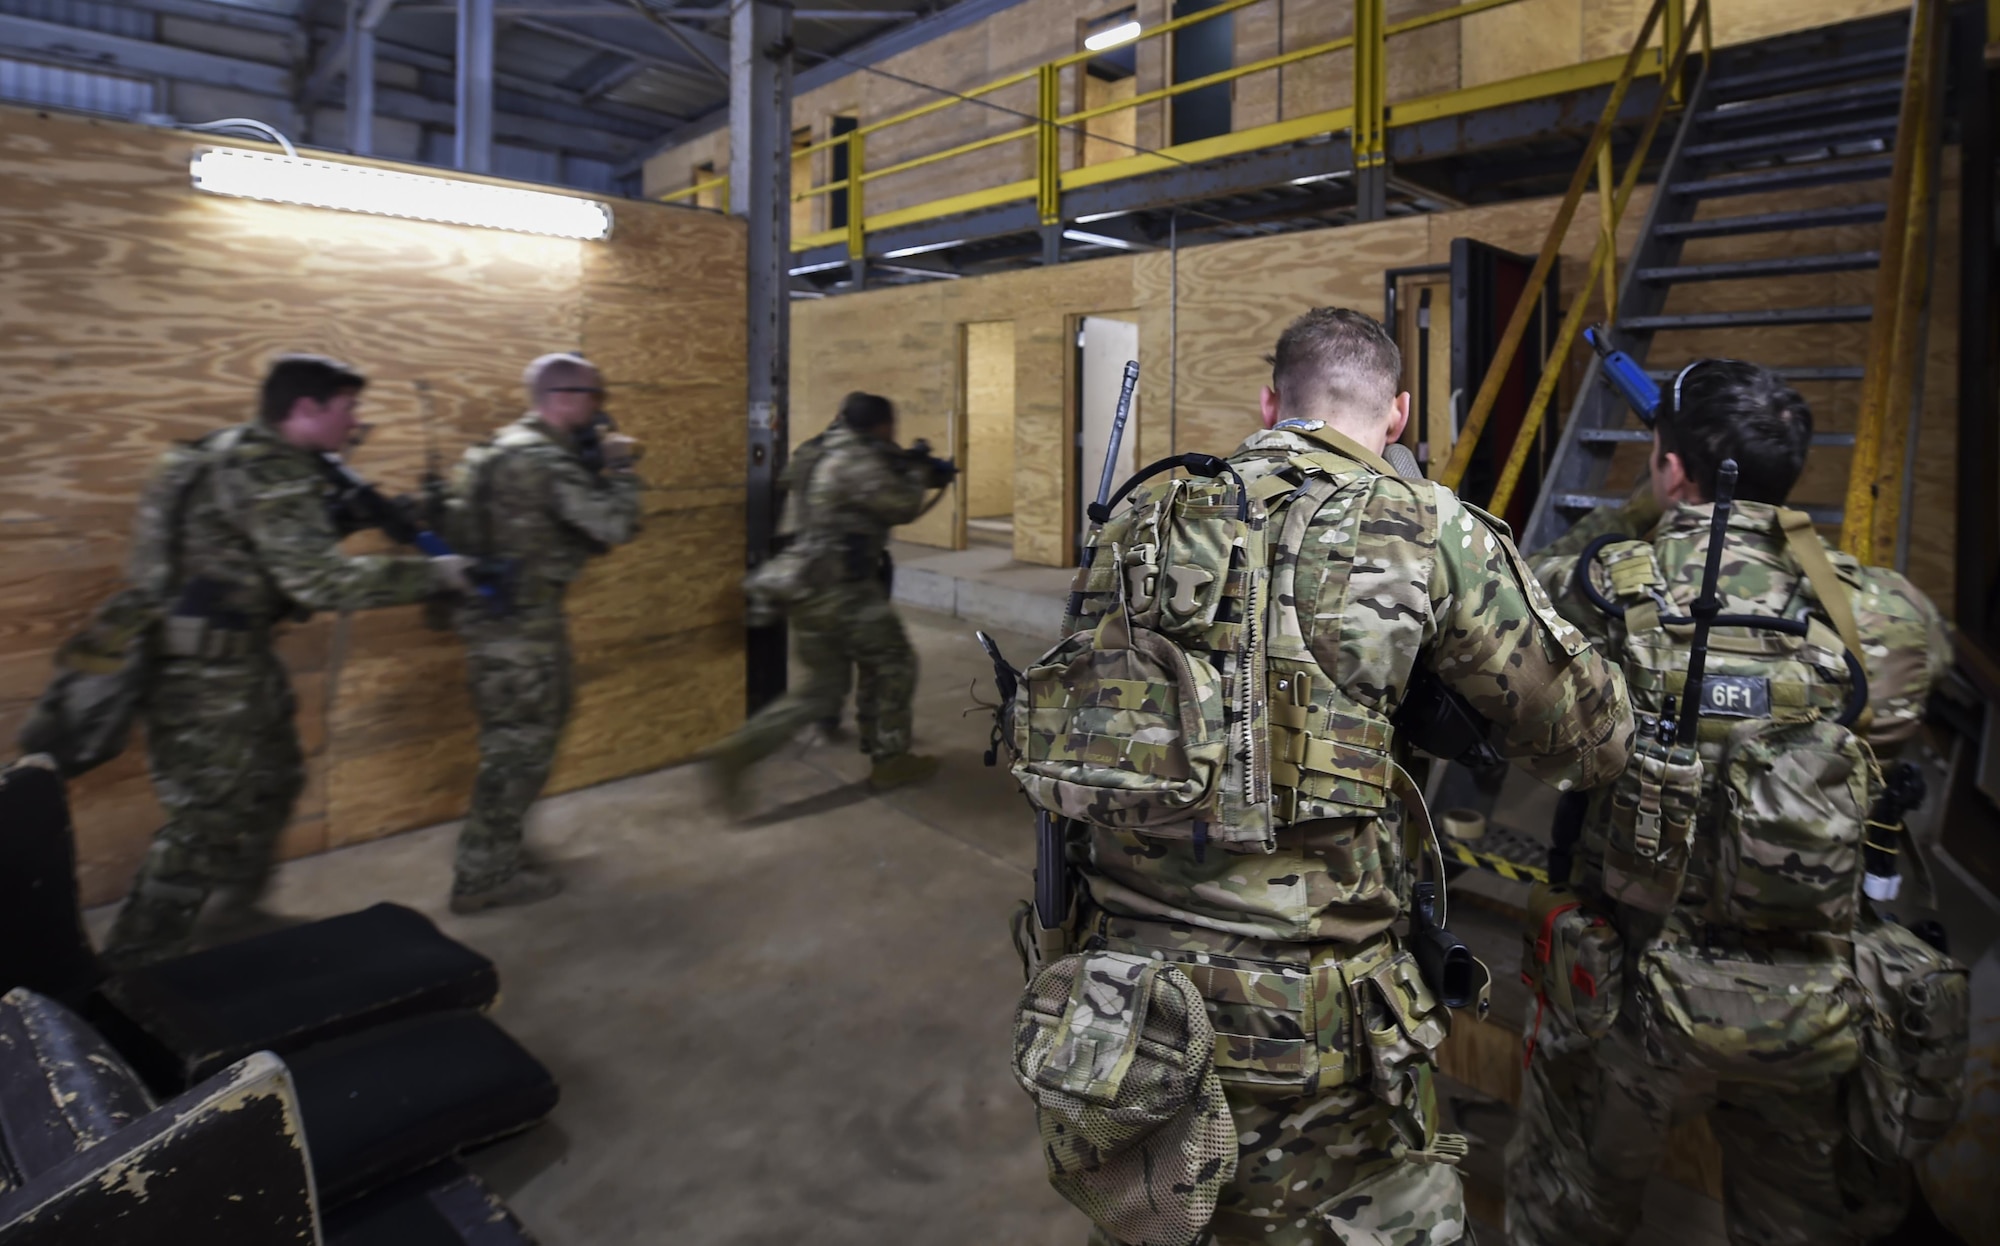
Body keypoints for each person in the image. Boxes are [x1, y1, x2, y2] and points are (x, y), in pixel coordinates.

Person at [1042, 307, 1635, 1246]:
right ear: (1396, 416)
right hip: (1322, 1043)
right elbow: (1592, 743)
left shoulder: (1138, 519)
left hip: (1126, 1024)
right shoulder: (1425, 527)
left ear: (1269, 401)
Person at [1505, 359, 1956, 1246]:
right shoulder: (1882, 610)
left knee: (1567, 1216)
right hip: (1811, 1005)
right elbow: (1894, 719)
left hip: (1623, 998)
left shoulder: (1599, 587)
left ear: (1672, 468)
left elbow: (1515, 602)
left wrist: (1641, 513)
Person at [103, 354, 470, 968]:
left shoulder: (237, 453)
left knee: (275, 782)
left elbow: (249, 549)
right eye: (348, 407)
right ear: (306, 409)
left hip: (234, 661)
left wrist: (340, 517)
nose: (356, 422)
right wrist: (437, 574)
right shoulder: (268, 472)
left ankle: (234, 915)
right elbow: (321, 585)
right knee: (205, 821)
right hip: (202, 677)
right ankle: (130, 969)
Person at [443, 352, 642, 913]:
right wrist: (622, 469)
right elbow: (612, 524)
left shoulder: (499, 449)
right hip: (519, 630)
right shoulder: (540, 460)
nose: (601, 410)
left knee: (519, 743)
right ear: (563, 397)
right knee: (519, 749)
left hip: (500, 621)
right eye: (594, 397)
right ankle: (481, 876)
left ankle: (496, 850)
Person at [703, 391, 952, 811]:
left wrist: (910, 466)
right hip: (842, 588)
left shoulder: (819, 451)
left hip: (806, 584)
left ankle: (738, 752)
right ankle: (890, 759)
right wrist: (918, 475)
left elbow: (843, 486)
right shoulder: (854, 460)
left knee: (822, 688)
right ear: (883, 425)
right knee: (895, 660)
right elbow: (902, 506)